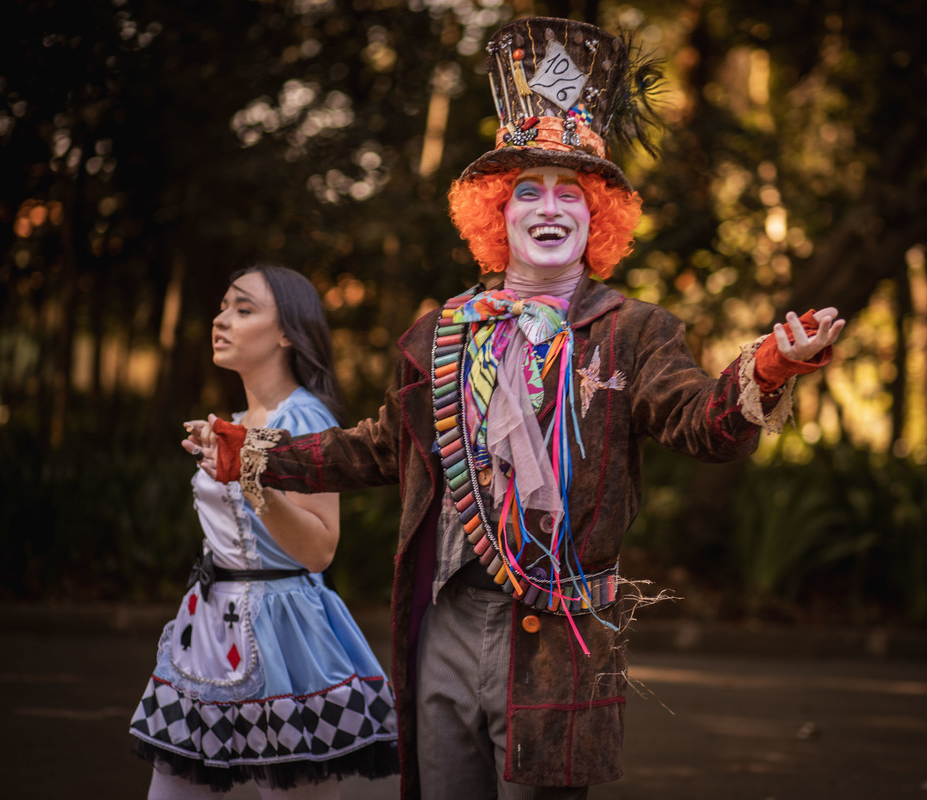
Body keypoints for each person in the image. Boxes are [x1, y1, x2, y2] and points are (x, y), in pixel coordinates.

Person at [191, 17, 844, 800]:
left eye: (571, 192)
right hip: (444, 620)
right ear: (495, 216)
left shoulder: (632, 331)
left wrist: (771, 365)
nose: (549, 206)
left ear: (597, 219)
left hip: (558, 633)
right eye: (526, 190)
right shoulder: (442, 332)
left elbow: (701, 423)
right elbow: (375, 450)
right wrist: (253, 454)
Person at [129, 264, 399, 799]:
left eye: (243, 308)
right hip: (206, 628)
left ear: (286, 333)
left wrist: (250, 474)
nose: (221, 319)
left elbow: (320, 549)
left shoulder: (305, 417)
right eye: (224, 306)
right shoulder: (233, 418)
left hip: (285, 632)